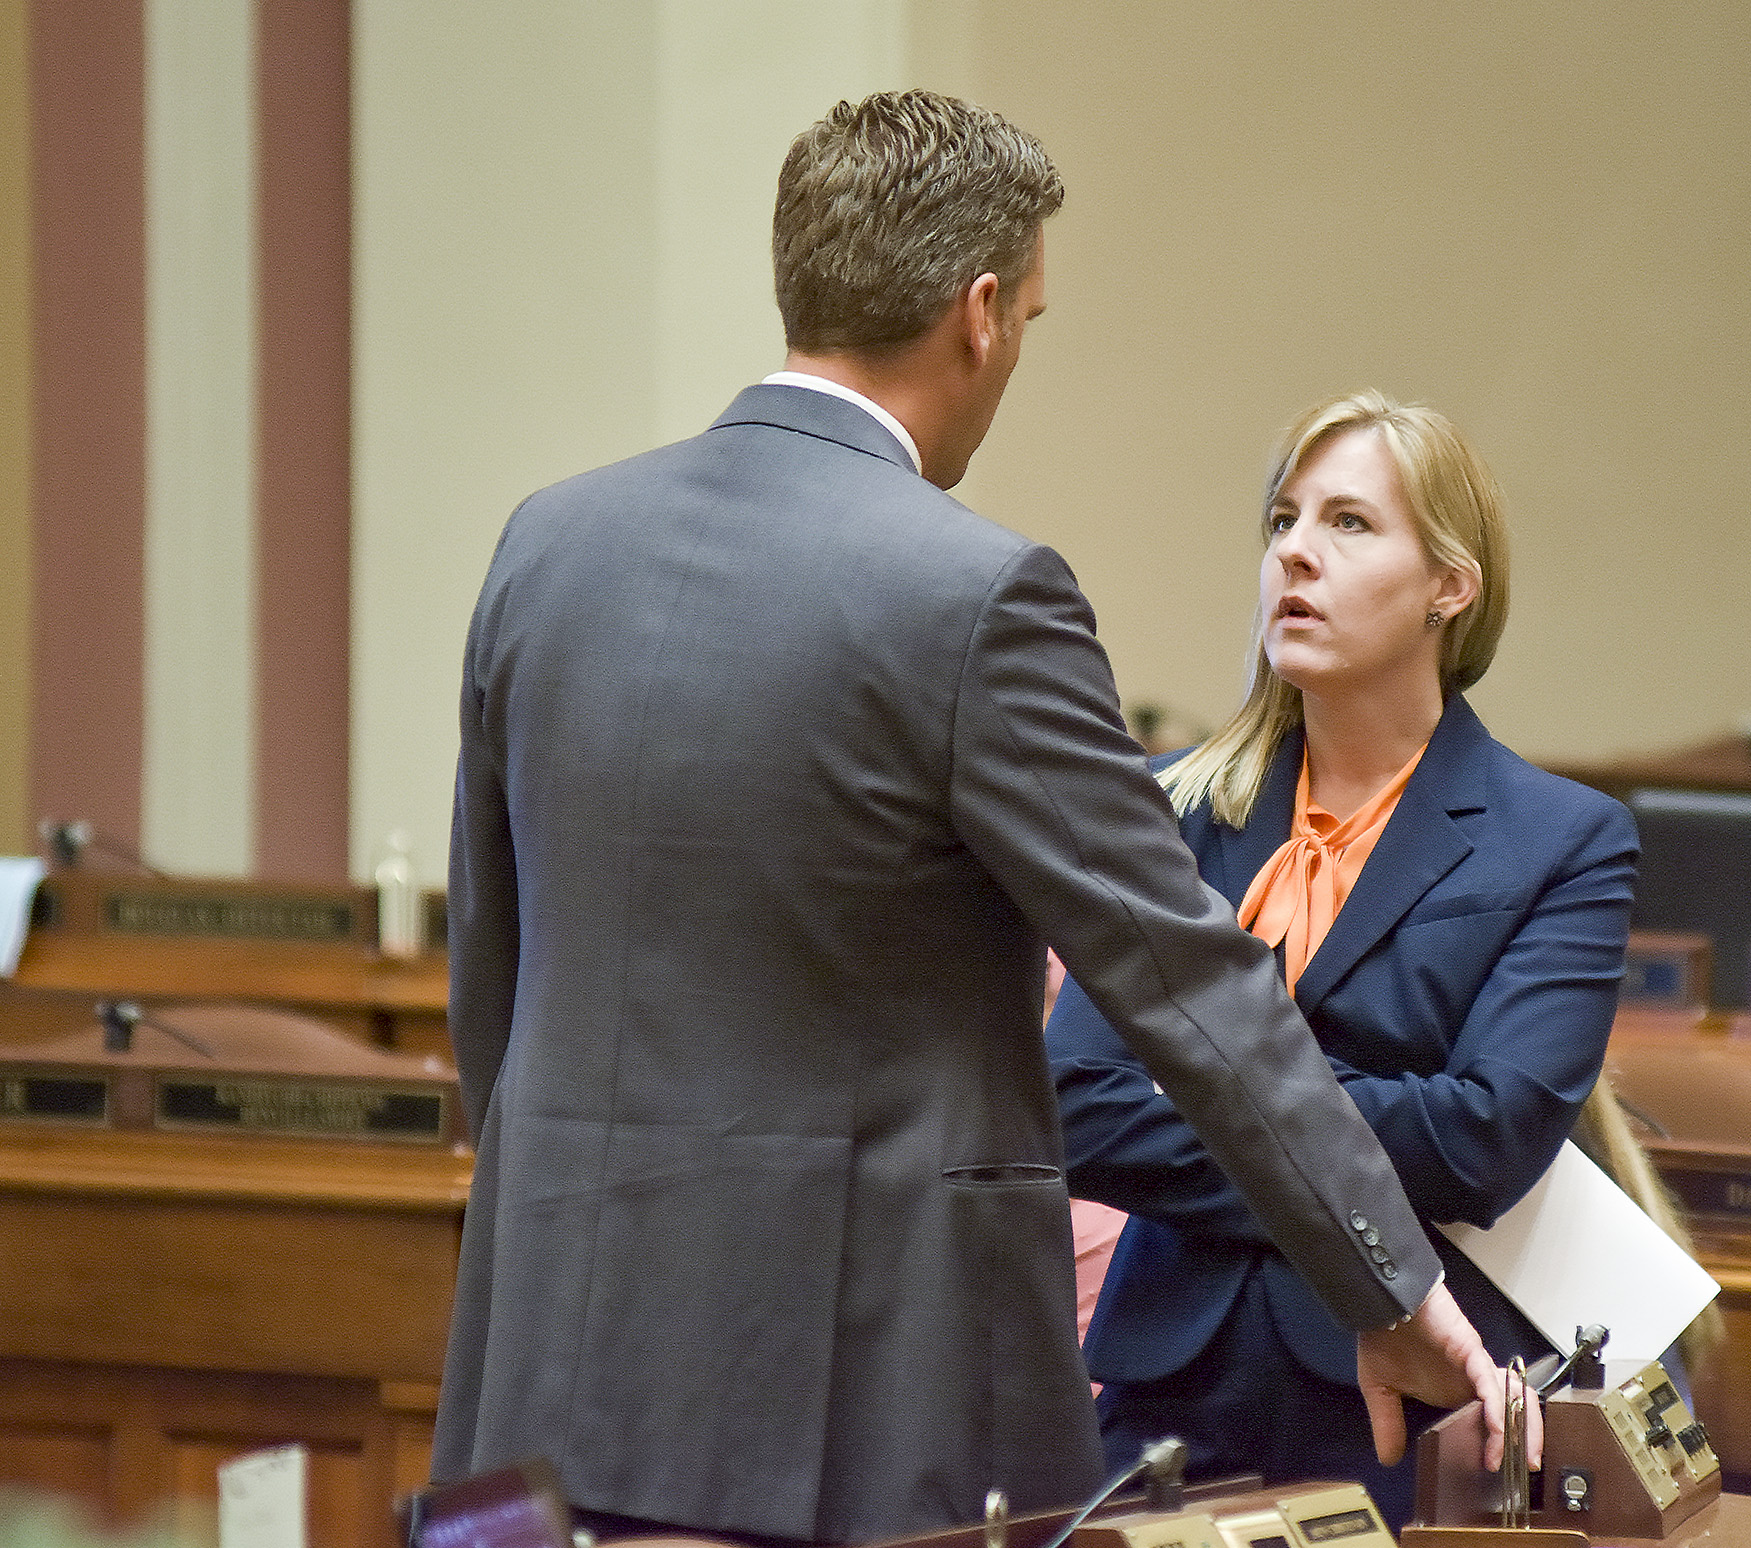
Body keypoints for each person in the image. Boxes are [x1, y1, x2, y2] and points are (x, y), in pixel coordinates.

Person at [434, 96, 1526, 1546]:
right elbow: (1185, 982)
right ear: (983, 312)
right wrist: (1385, 1285)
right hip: (848, 1397)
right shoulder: (975, 596)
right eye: (1034, 319)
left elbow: (491, 978)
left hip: (546, 1372)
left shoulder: (547, 544)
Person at [1047, 390, 1640, 1525]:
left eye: (1349, 524)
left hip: (1409, 1394)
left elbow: (1484, 1140)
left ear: (1449, 586)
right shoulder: (1182, 811)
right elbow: (1077, 1104)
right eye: (1282, 521)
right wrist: (1337, 1154)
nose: (1296, 556)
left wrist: (1217, 1101)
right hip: (1174, 1379)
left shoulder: (1561, 840)